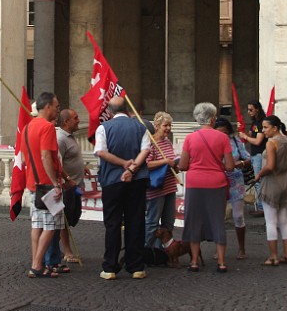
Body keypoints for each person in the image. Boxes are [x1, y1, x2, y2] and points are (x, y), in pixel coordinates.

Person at [95, 96, 151, 280]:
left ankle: (110, 267)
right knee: (136, 221)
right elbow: (145, 150)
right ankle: (136, 266)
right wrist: (133, 168)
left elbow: (102, 152)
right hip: (137, 179)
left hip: (112, 180)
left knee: (113, 223)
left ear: (110, 112)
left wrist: (123, 164)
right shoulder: (140, 127)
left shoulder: (103, 128)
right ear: (127, 109)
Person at [178, 102, 234, 273]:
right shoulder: (223, 138)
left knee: (194, 220)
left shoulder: (190, 138)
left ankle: (194, 261)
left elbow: (182, 165)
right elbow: (230, 166)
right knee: (217, 221)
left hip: (195, 183)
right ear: (212, 119)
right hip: (217, 183)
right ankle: (222, 262)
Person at [24, 92, 69, 278]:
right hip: (46, 185)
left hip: (32, 183)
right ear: (48, 107)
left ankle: (38, 262)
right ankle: (36, 265)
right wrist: (55, 184)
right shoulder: (47, 128)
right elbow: (45, 156)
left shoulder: (28, 126)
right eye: (57, 106)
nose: (58, 110)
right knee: (51, 227)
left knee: (37, 225)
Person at [43, 108, 85, 271]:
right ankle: (65, 251)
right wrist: (66, 179)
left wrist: (83, 168)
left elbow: (70, 158)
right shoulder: (60, 138)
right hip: (66, 186)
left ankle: (59, 250)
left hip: (75, 185)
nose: (78, 120)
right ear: (66, 122)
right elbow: (57, 163)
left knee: (72, 217)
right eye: (75, 118)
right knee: (64, 220)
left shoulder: (69, 136)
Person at [255, 115, 287, 266]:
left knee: (270, 222)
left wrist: (259, 174)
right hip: (285, 183)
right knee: (284, 221)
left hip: (272, 183)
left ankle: (273, 256)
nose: (263, 130)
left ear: (275, 128)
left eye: (265, 127)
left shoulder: (272, 143)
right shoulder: (286, 141)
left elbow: (270, 166)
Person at [216, 117, 250, 259]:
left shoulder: (235, 141)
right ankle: (219, 248)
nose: (222, 135)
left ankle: (241, 248)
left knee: (238, 215)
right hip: (218, 180)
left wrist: (241, 163)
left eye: (224, 132)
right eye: (219, 132)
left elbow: (248, 158)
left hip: (235, 180)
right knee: (218, 216)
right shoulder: (213, 142)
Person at [144, 111, 178, 249]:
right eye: (165, 125)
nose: (168, 128)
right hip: (156, 189)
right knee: (152, 223)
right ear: (157, 126)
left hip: (170, 186)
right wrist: (165, 161)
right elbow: (146, 165)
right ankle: (146, 251)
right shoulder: (149, 144)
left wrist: (175, 165)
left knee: (168, 222)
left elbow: (170, 162)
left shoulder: (167, 142)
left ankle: (162, 251)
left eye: (170, 125)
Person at [238, 100, 267, 217]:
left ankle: (261, 207)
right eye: (248, 110)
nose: (249, 112)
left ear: (257, 109)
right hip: (255, 154)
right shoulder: (255, 122)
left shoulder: (261, 123)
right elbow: (251, 135)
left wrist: (245, 136)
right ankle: (260, 205)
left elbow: (258, 140)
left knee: (258, 180)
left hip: (259, 154)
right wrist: (243, 132)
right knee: (257, 181)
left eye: (251, 109)